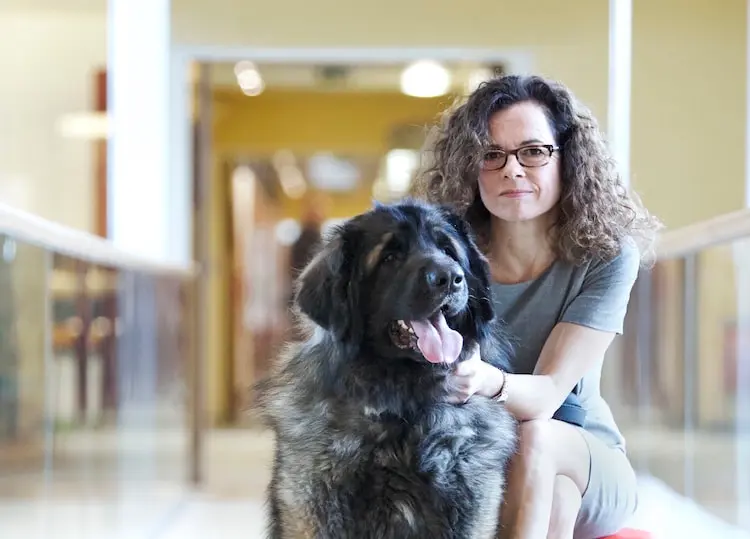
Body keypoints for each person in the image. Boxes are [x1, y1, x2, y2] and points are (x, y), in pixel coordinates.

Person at [412, 74, 662, 539]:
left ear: (567, 158)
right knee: (555, 498)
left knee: (537, 438)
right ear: (469, 167)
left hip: (583, 455)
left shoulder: (607, 256)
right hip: (476, 454)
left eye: (533, 151)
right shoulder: (445, 259)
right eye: (492, 155)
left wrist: (484, 380)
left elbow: (548, 396)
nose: (512, 170)